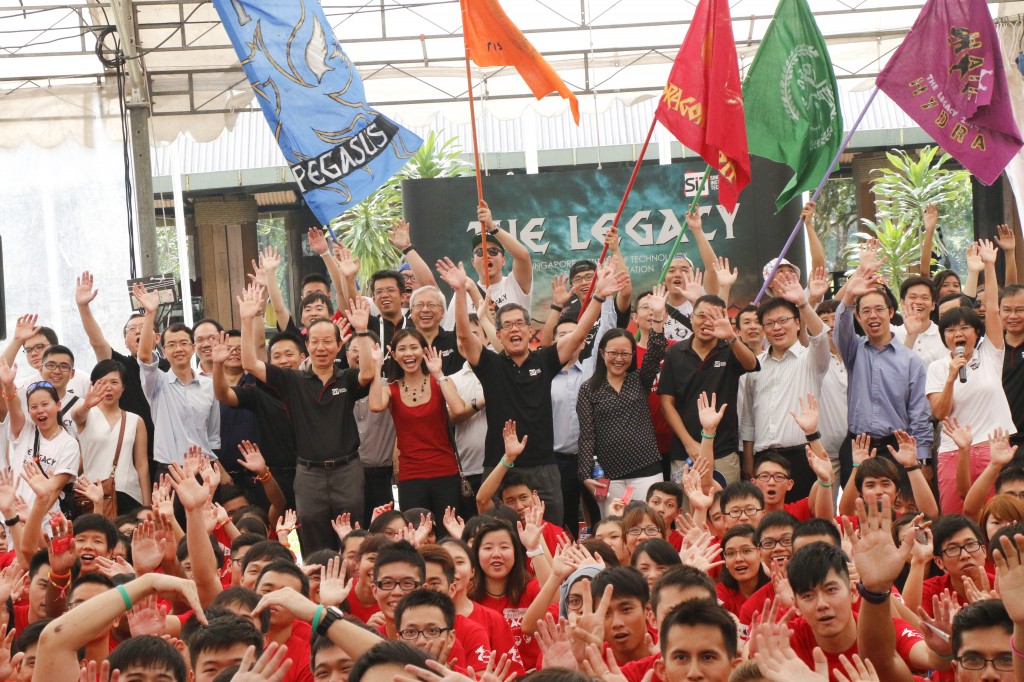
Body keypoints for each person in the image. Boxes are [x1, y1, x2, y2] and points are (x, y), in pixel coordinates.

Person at [441, 256, 628, 526]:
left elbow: (578, 334)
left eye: (519, 323)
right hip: (499, 462)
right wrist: (460, 292)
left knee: (551, 531)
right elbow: (463, 337)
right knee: (498, 531)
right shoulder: (489, 364)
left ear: (530, 331)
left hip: (544, 465)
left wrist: (598, 297)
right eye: (507, 325)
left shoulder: (545, 360)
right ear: (499, 333)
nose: (514, 329)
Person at [239, 283, 375, 552]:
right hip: (308, 474)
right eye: (315, 341)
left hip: (347, 471)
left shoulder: (346, 378)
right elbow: (250, 365)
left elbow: (368, 373)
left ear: (339, 346)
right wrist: (246, 320)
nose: (321, 347)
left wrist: (361, 331)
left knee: (352, 542)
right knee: (313, 543)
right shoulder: (292, 380)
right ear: (307, 345)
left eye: (328, 342)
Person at [833, 261, 932, 481]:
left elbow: (919, 415)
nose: (873, 316)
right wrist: (849, 297)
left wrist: (923, 459)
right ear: (858, 318)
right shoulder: (853, 349)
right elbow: (840, 330)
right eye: (866, 311)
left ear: (890, 312)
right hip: (858, 448)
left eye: (879, 309)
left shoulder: (911, 361)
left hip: (897, 449)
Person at [578, 288, 668, 513]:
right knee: (614, 530)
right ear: (602, 353)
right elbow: (587, 435)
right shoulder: (589, 389)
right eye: (613, 353)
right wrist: (585, 474)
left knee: (649, 526)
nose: (619, 359)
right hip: (608, 475)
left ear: (632, 356)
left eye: (625, 354)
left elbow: (656, 351)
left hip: (647, 467)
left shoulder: (640, 379)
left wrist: (657, 318)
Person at [739, 272, 829, 495]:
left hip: (802, 456)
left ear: (797, 323)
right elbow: (748, 418)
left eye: (783, 321)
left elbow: (820, 337)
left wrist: (803, 303)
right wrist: (749, 463)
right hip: (763, 461)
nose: (776, 328)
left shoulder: (811, 359)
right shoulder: (754, 366)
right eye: (769, 324)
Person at [659, 293, 759, 485]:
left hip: (722, 450)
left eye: (714, 317)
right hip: (685, 452)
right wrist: (688, 443)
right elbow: (666, 404)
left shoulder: (730, 349)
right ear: (691, 317)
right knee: (687, 510)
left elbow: (750, 364)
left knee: (725, 509)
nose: (707, 322)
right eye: (702, 316)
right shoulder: (675, 352)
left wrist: (731, 337)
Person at [369, 329, 466, 522]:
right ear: (394, 355)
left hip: (445, 470)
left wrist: (438, 373)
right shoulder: (391, 389)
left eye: (414, 348)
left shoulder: (439, 382)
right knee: (416, 534)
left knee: (448, 532)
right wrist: (376, 367)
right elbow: (375, 405)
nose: (409, 354)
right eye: (402, 349)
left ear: (423, 351)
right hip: (410, 475)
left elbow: (458, 408)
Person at [134, 282, 221, 476]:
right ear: (164, 351)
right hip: (170, 469)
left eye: (183, 343)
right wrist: (150, 313)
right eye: (172, 345)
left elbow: (213, 438)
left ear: (192, 348)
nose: (179, 349)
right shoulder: (157, 383)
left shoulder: (209, 386)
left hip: (205, 470)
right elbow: (145, 357)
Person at [0, 363, 79, 516]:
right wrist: (8, 385)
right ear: (28, 411)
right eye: (33, 407)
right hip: (13, 516)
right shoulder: (25, 429)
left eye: (45, 404)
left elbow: (54, 489)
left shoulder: (69, 444)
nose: (40, 410)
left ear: (58, 405)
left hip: (46, 522)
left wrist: (31, 519)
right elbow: (14, 408)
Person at [441, 202, 534, 331]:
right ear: (473, 262)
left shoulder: (514, 284)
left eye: (493, 251)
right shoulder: (463, 293)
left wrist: (492, 228)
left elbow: (523, 256)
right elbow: (451, 332)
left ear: (504, 260)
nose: (487, 256)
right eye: (480, 252)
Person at [71, 359, 150, 512]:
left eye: (114, 382)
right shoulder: (87, 414)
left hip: (129, 493)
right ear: (93, 385)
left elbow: (142, 465)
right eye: (102, 382)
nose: (108, 388)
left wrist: (147, 505)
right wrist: (86, 405)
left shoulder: (135, 420)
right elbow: (77, 416)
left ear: (123, 387)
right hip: (94, 493)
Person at [716, 524, 767, 617]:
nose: (738, 559)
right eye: (730, 553)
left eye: (746, 551)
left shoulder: (775, 588)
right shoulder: (722, 592)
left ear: (760, 554)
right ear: (725, 561)